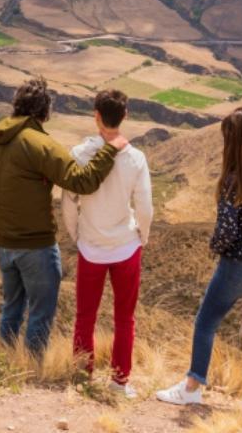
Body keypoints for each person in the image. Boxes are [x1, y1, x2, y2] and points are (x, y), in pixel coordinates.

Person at [156, 107, 242, 409]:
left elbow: (226, 231)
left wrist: (215, 248)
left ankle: (192, 387)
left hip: (239, 264)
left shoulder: (233, 181)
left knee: (206, 322)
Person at [0, 78, 128, 357]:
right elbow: (82, 181)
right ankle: (33, 374)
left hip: (4, 244)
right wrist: (110, 149)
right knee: (40, 313)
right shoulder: (39, 144)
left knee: (10, 310)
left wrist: (4, 228)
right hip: (36, 247)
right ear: (45, 111)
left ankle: (2, 367)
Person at [63, 89, 153, 398]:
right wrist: (144, 234)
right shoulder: (136, 158)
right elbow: (145, 206)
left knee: (85, 316)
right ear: (125, 115)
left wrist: (76, 235)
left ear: (96, 115)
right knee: (124, 318)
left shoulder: (79, 154)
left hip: (91, 247)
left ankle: (81, 375)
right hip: (126, 247)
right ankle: (119, 382)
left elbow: (68, 202)